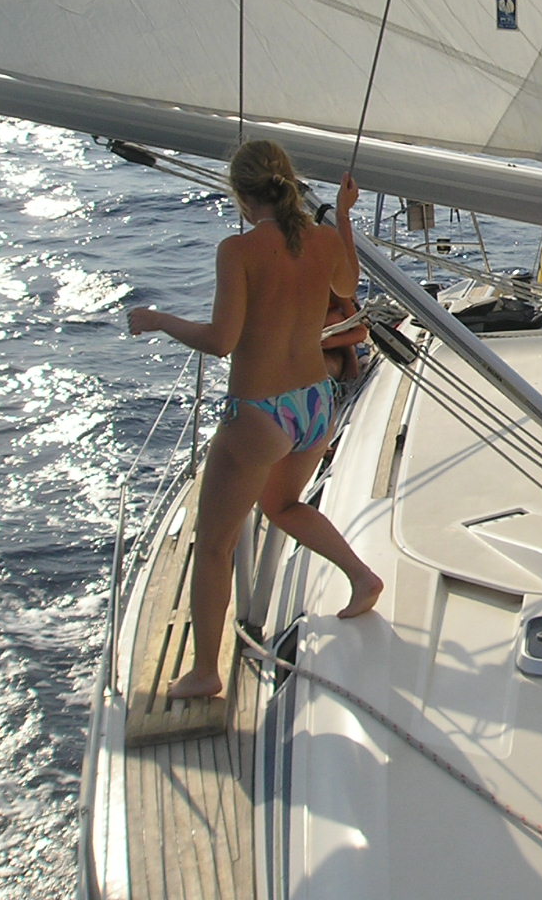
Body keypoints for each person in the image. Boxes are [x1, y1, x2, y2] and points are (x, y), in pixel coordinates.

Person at [128, 140, 383, 700]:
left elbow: (221, 341)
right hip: (314, 404)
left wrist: (158, 319)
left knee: (213, 545)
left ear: (243, 197)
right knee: (283, 505)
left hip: (261, 413)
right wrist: (342, 216)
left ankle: (204, 672)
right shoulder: (321, 240)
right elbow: (347, 287)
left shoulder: (238, 250)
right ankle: (362, 577)